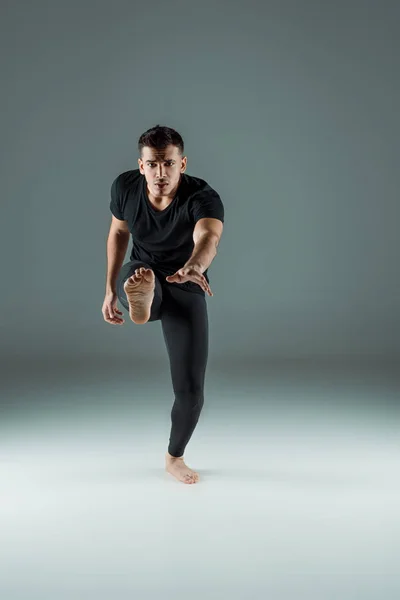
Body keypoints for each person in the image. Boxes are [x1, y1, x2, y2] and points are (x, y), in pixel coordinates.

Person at [101, 125, 224, 484]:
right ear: (141, 166)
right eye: (152, 165)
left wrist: (196, 266)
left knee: (190, 394)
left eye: (168, 164)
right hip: (141, 273)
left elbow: (209, 235)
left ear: (181, 164)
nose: (160, 174)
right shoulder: (125, 188)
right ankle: (142, 300)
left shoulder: (202, 197)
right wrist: (109, 289)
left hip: (185, 282)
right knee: (139, 278)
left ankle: (174, 458)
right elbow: (119, 231)